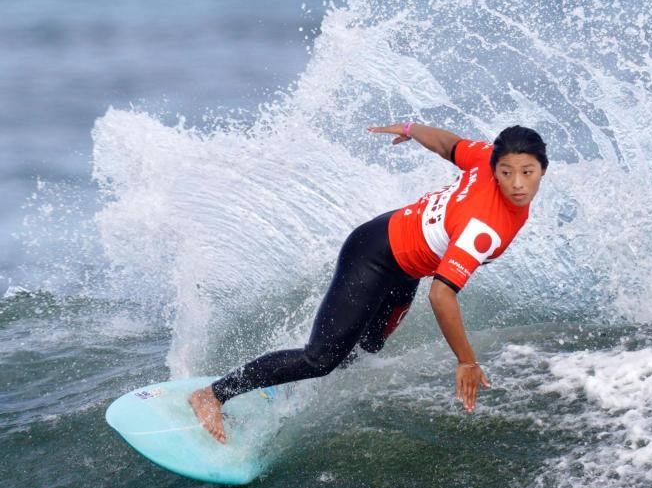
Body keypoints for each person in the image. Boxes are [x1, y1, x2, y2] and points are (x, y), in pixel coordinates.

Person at [189, 123, 548, 443]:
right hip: (372, 256)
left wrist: (411, 129)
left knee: (366, 347)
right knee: (321, 359)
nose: (517, 183)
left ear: (542, 170)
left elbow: (447, 144)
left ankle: (284, 378)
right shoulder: (484, 228)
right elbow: (441, 295)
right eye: (507, 173)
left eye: (527, 172)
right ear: (495, 169)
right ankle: (213, 394)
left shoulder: (488, 156)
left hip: (405, 264)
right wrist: (466, 361)